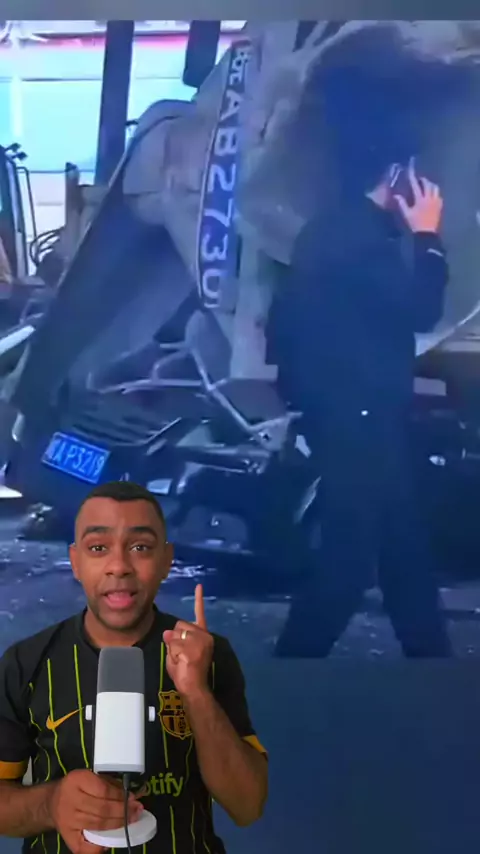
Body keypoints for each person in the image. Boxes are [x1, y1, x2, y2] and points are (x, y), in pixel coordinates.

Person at [0, 481, 268, 854]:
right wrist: (51, 804)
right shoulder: (25, 662)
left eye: (140, 547)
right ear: (75, 561)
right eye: (98, 548)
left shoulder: (209, 655)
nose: (119, 567)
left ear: (167, 560)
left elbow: (247, 805)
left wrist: (195, 692)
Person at [271, 157, 452, 658]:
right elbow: (421, 309)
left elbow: (283, 322)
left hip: (345, 413)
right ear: (396, 177)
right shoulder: (366, 243)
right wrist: (428, 237)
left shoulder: (324, 231)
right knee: (349, 561)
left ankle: (433, 661)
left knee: (403, 550)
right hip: (361, 416)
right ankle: (290, 668)